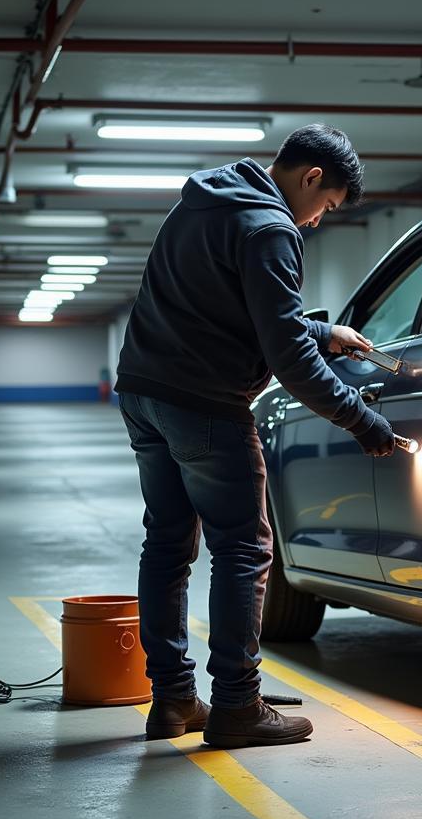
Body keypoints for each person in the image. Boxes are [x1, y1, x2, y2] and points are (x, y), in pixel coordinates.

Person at [115, 124, 395, 748]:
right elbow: (289, 359)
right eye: (324, 207)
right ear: (311, 178)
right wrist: (364, 422)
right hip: (206, 403)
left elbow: (224, 306)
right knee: (243, 548)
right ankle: (238, 706)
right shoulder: (271, 227)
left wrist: (327, 333)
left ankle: (172, 700)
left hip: (143, 392)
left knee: (166, 546)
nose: (318, 222)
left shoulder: (205, 201)